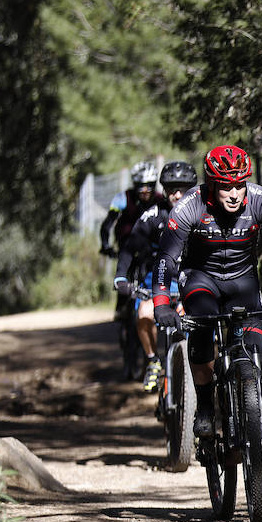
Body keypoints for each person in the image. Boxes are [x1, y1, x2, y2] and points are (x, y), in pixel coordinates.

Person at [152, 144, 262, 443]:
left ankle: (259, 434)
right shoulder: (190, 205)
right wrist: (162, 302)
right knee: (202, 326)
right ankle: (205, 405)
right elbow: (166, 258)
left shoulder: (261, 200)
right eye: (226, 186)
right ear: (212, 184)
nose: (234, 194)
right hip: (201, 278)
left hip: (243, 281)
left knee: (255, 354)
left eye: (239, 185)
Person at [114, 160, 197, 393]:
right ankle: (152, 360)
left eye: (182, 189)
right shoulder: (154, 215)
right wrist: (121, 277)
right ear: (164, 190)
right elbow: (130, 247)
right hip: (158, 285)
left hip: (191, 284)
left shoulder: (203, 214)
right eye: (171, 189)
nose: (177, 194)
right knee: (143, 313)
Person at [100, 160, 159, 256]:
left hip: (152, 248)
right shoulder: (123, 197)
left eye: (149, 186)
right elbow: (108, 223)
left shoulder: (160, 199)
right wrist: (105, 245)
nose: (144, 190)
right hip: (126, 246)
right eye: (140, 186)